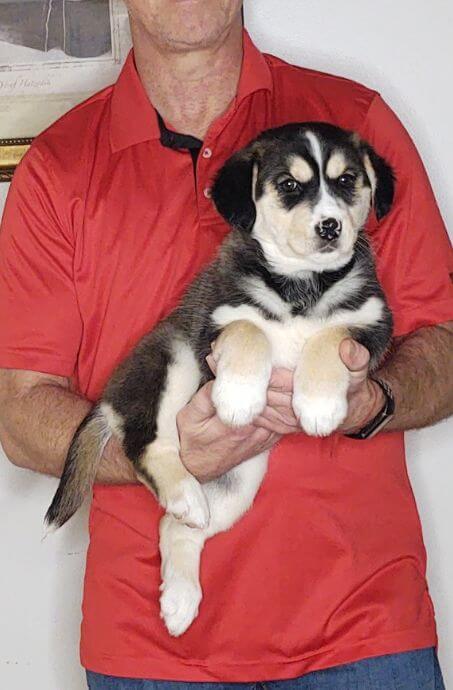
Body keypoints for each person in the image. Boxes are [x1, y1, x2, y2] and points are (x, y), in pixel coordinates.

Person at [0, 2, 452, 688]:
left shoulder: (352, 125)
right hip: (149, 644)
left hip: (362, 630)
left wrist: (372, 398)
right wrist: (166, 457)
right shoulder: (59, 167)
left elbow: (443, 342)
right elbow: (20, 417)